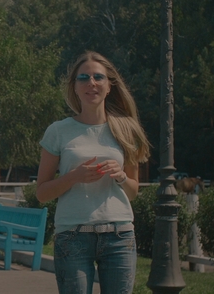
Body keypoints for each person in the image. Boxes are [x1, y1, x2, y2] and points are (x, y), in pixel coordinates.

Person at [36, 51, 150, 294]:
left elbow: (133, 192)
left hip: (119, 236)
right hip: (72, 237)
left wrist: (120, 176)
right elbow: (42, 193)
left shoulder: (126, 129)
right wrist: (73, 177)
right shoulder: (58, 131)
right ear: (74, 87)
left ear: (109, 86)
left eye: (99, 77)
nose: (91, 83)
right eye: (83, 78)